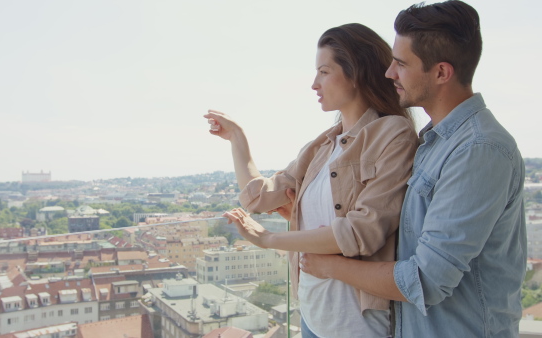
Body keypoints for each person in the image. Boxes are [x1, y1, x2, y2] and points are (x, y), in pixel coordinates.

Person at [275, 1, 526, 337]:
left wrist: (333, 265)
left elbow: (426, 280)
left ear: (441, 72)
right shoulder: (434, 143)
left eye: (402, 64)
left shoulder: (478, 151)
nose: (389, 72)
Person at [206, 23, 418, 337]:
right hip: (312, 315)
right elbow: (261, 198)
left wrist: (269, 239)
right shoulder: (321, 147)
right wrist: (237, 138)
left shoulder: (393, 134)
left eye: (323, 71)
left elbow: (363, 232)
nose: (314, 84)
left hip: (355, 323)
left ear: (355, 73)